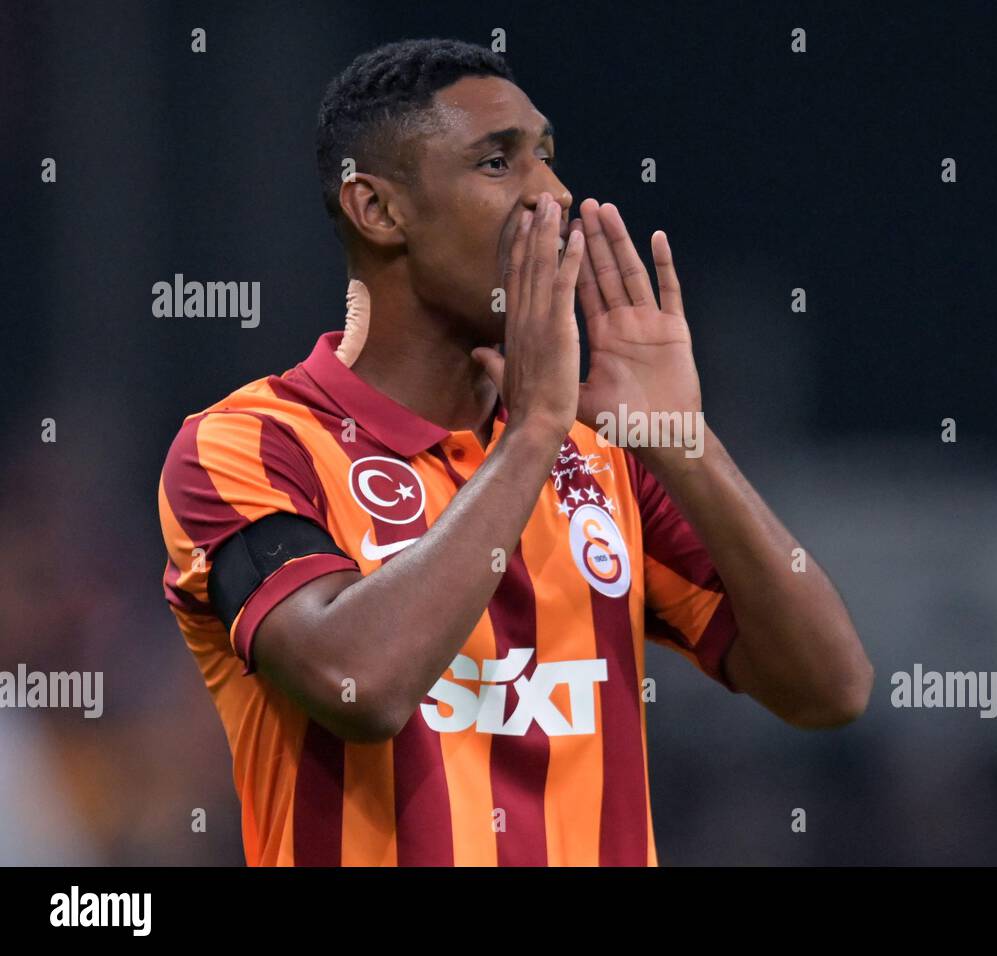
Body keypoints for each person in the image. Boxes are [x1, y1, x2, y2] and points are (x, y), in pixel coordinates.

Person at [157, 37, 872, 866]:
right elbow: (361, 686)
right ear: (378, 210)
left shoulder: (601, 458)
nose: (553, 195)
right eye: (497, 163)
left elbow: (831, 690)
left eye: (547, 158)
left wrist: (683, 439)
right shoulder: (251, 443)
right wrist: (532, 435)